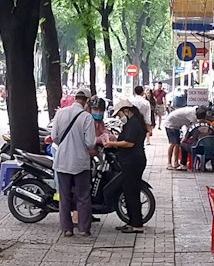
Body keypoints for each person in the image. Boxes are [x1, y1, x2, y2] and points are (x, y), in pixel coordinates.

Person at [50, 88, 96, 237]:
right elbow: (90, 142)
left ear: (75, 98)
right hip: (80, 162)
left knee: (64, 196)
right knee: (83, 196)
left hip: (62, 161)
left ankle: (67, 229)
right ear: (87, 101)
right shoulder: (87, 117)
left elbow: (54, 137)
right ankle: (84, 228)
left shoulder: (60, 113)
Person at [103, 100, 149, 234]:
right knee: (128, 191)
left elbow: (129, 143)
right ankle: (132, 221)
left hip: (133, 162)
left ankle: (137, 225)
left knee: (132, 192)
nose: (119, 117)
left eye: (120, 114)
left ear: (126, 110)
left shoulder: (134, 123)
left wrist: (112, 144)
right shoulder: (132, 122)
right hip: (131, 161)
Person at [165, 98, 202, 169]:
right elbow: (193, 127)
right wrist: (186, 137)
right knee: (173, 143)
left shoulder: (194, 110)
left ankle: (175, 163)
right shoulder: (191, 114)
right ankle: (169, 163)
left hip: (176, 125)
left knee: (177, 144)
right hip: (170, 124)